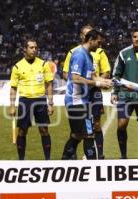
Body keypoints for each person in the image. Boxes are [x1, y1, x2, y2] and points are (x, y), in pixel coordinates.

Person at [61, 29, 112, 160]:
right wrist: (98, 84)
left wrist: (105, 81)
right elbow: (75, 78)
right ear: (91, 40)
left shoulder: (89, 55)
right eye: (98, 43)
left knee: (77, 135)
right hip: (76, 101)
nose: (100, 46)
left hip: (82, 101)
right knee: (89, 134)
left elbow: (94, 77)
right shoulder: (79, 54)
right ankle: (93, 167)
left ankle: (64, 161)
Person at [111, 28, 138, 159]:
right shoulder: (124, 53)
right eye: (134, 37)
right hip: (125, 95)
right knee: (121, 125)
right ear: (131, 38)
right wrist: (114, 92)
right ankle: (123, 156)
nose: (136, 39)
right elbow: (116, 74)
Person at [9, 38, 53, 160]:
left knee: (44, 130)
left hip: (40, 100)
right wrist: (12, 106)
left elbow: (49, 84)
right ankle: (21, 160)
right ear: (25, 49)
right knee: (22, 131)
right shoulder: (17, 67)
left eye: (35, 47)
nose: (34, 50)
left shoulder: (43, 64)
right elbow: (13, 88)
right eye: (31, 47)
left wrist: (50, 103)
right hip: (25, 101)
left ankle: (48, 160)